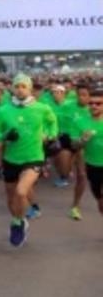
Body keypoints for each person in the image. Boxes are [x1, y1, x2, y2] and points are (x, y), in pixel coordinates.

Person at [0, 74, 57, 247]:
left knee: (21, 192)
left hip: (33, 157)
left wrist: (49, 135)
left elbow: (52, 122)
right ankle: (19, 220)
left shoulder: (42, 108)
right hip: (11, 158)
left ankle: (17, 223)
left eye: (23, 86)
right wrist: (5, 136)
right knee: (11, 197)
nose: (20, 89)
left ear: (29, 89)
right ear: (12, 88)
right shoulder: (3, 110)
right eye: (17, 86)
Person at [71, 89, 103, 221]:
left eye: (98, 103)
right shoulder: (79, 122)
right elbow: (74, 145)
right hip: (93, 166)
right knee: (100, 202)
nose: (94, 106)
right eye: (91, 103)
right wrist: (82, 140)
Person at [69, 85, 94, 220]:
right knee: (82, 176)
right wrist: (82, 140)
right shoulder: (76, 115)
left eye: (84, 94)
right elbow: (75, 141)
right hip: (82, 148)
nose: (81, 97)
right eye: (79, 94)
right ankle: (75, 206)